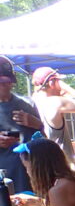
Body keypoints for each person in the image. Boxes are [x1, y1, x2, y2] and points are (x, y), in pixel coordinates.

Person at [31, 67, 75, 158]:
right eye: (58, 81)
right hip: (62, 164)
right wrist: (66, 87)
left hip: (43, 162)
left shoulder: (33, 101)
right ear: (52, 83)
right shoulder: (56, 102)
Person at [0, 56, 43, 194]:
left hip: (29, 179)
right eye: (1, 81)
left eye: (8, 81)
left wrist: (38, 124)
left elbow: (43, 141)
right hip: (4, 181)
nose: (6, 85)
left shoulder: (27, 103)